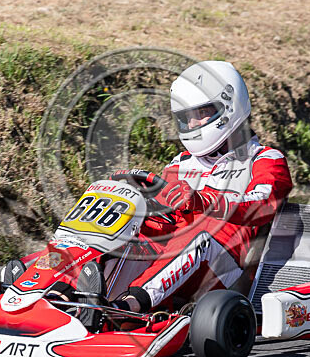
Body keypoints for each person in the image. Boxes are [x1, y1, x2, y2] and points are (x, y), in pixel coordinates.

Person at [107, 60, 294, 313]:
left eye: (202, 113)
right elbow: (166, 217)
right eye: (187, 118)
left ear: (229, 107)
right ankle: (64, 294)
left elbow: (261, 205)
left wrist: (204, 200)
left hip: (226, 266)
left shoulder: (264, 159)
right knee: (121, 230)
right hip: (173, 259)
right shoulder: (181, 162)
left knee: (197, 236)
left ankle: (129, 305)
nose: (193, 124)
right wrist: (139, 207)